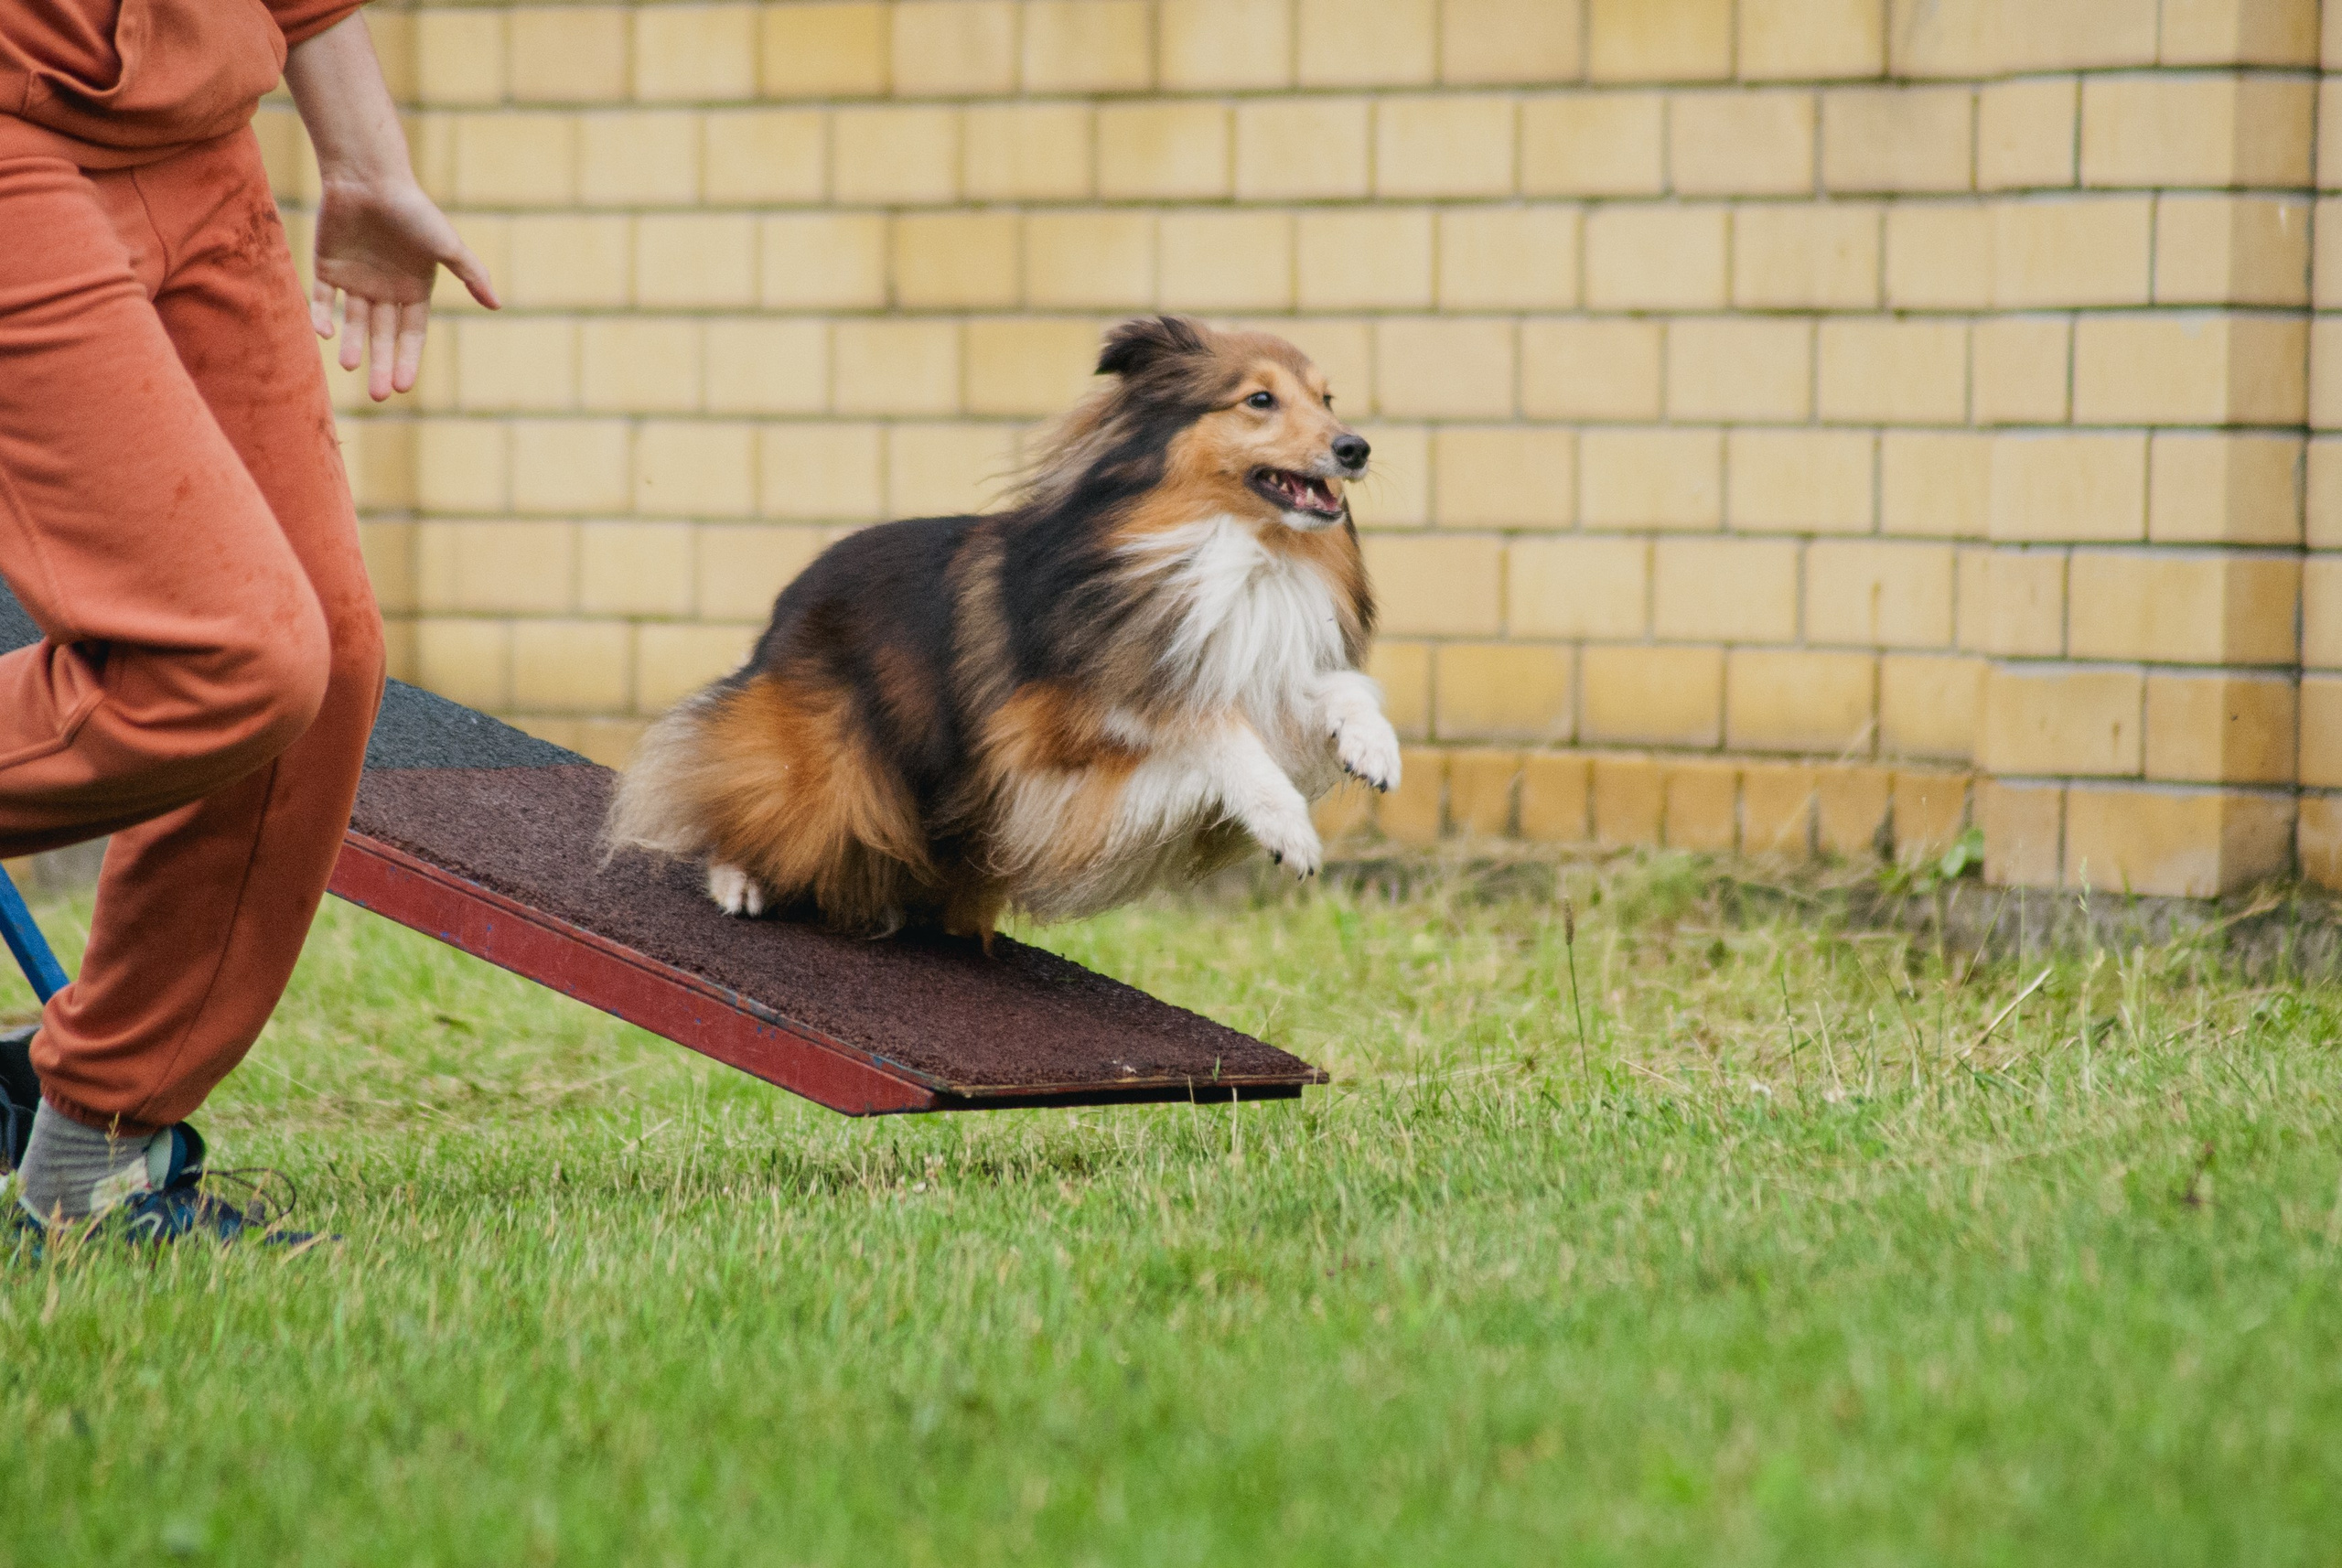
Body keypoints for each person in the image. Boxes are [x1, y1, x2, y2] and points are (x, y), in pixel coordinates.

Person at [0, 0, 493, 1239]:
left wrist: (368, 159)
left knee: (324, 670)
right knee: (224, 656)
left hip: (201, 130)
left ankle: (94, 1172)